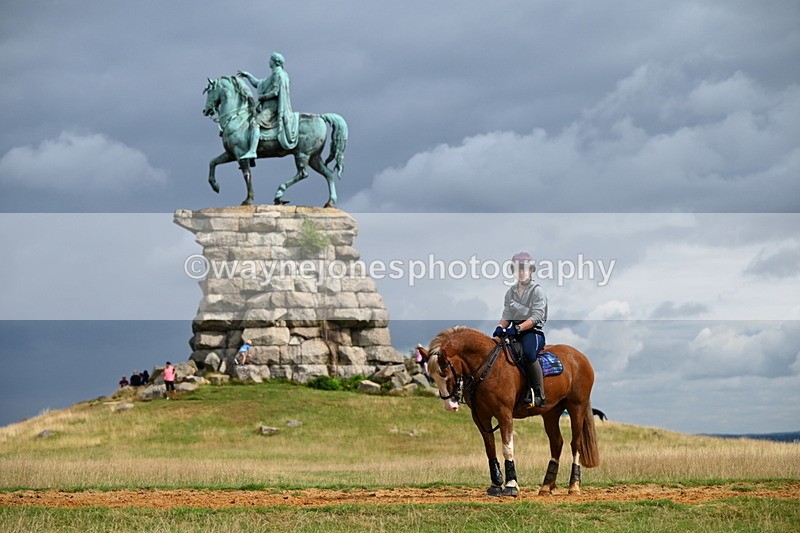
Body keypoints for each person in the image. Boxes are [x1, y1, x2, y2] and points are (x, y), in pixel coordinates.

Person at [492, 251, 549, 407]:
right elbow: (507, 314)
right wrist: (499, 327)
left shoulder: (537, 291)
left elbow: (537, 316)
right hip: (514, 332)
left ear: (531, 271)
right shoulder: (510, 293)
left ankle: (539, 394)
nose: (521, 272)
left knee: (529, 353)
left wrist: (517, 328)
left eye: (525, 269)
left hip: (533, 332)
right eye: (518, 269)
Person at [237, 51, 299, 159]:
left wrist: (262, 97)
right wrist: (248, 76)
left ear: (274, 62)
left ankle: (252, 151)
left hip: (272, 109)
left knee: (255, 123)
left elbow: (275, 92)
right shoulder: (280, 74)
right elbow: (259, 83)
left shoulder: (277, 74)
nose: (268, 62)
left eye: (270, 60)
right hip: (270, 108)